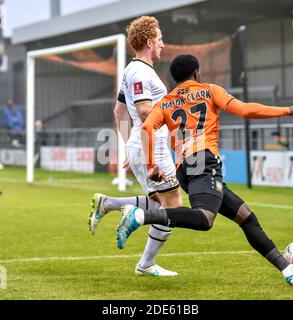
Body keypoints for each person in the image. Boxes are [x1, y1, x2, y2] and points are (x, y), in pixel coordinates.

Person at [117, 54, 293, 289]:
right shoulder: (210, 90)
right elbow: (245, 110)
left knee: (246, 217)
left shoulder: (165, 102)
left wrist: (151, 165)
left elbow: (147, 127)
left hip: (184, 168)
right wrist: (287, 110)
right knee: (205, 219)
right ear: (196, 73)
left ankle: (290, 271)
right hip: (203, 160)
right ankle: (141, 216)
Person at [89, 16, 183, 276]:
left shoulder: (132, 71)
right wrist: (147, 152)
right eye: (160, 39)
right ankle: (145, 264)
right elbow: (143, 112)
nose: (163, 44)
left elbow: (119, 111)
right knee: (173, 208)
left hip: (142, 145)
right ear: (150, 41)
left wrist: (131, 146)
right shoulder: (141, 72)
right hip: (153, 147)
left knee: (158, 204)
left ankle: (108, 204)